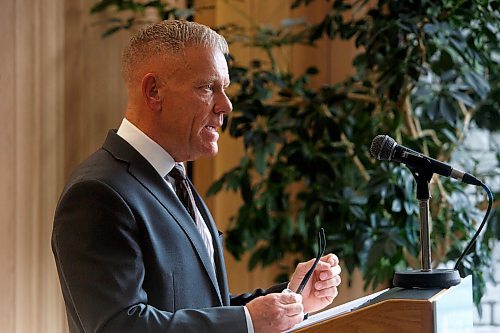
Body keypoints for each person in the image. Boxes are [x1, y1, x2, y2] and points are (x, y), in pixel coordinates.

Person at [52, 20, 342, 333]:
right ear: (154, 91)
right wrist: (247, 322)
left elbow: (204, 307)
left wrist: (292, 298)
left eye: (225, 89)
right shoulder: (97, 193)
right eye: (207, 88)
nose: (226, 105)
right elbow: (119, 325)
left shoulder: (174, 177)